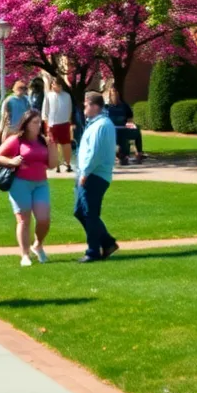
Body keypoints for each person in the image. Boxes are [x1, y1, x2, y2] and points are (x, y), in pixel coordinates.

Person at [0, 111, 57, 267]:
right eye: (34, 122)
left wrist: (52, 146)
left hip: (41, 183)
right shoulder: (16, 140)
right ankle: (25, 254)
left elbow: (53, 164)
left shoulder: (43, 141)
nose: (37, 126)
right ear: (26, 124)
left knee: (44, 219)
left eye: (38, 122)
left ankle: (38, 244)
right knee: (23, 220)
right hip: (20, 183)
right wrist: (12, 161)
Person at [75, 92, 119, 263]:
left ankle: (93, 251)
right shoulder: (95, 124)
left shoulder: (102, 125)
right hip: (88, 173)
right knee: (80, 211)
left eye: (86, 105)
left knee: (89, 213)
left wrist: (85, 173)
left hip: (95, 175)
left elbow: (95, 153)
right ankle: (107, 242)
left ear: (94, 106)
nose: (84, 108)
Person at [41, 78, 74, 173]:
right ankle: (57, 165)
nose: (56, 87)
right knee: (53, 145)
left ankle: (68, 164)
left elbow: (69, 109)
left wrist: (69, 121)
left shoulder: (66, 96)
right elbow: (45, 110)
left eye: (58, 86)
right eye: (54, 85)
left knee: (66, 144)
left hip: (64, 123)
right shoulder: (49, 96)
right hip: (52, 124)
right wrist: (46, 121)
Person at [106, 86, 143, 164]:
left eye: (115, 93)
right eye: (112, 94)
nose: (114, 96)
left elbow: (130, 121)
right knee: (122, 136)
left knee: (137, 131)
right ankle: (123, 155)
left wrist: (130, 126)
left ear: (118, 94)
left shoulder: (125, 106)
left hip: (123, 128)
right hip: (111, 131)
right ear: (109, 95)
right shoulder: (107, 108)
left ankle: (138, 153)